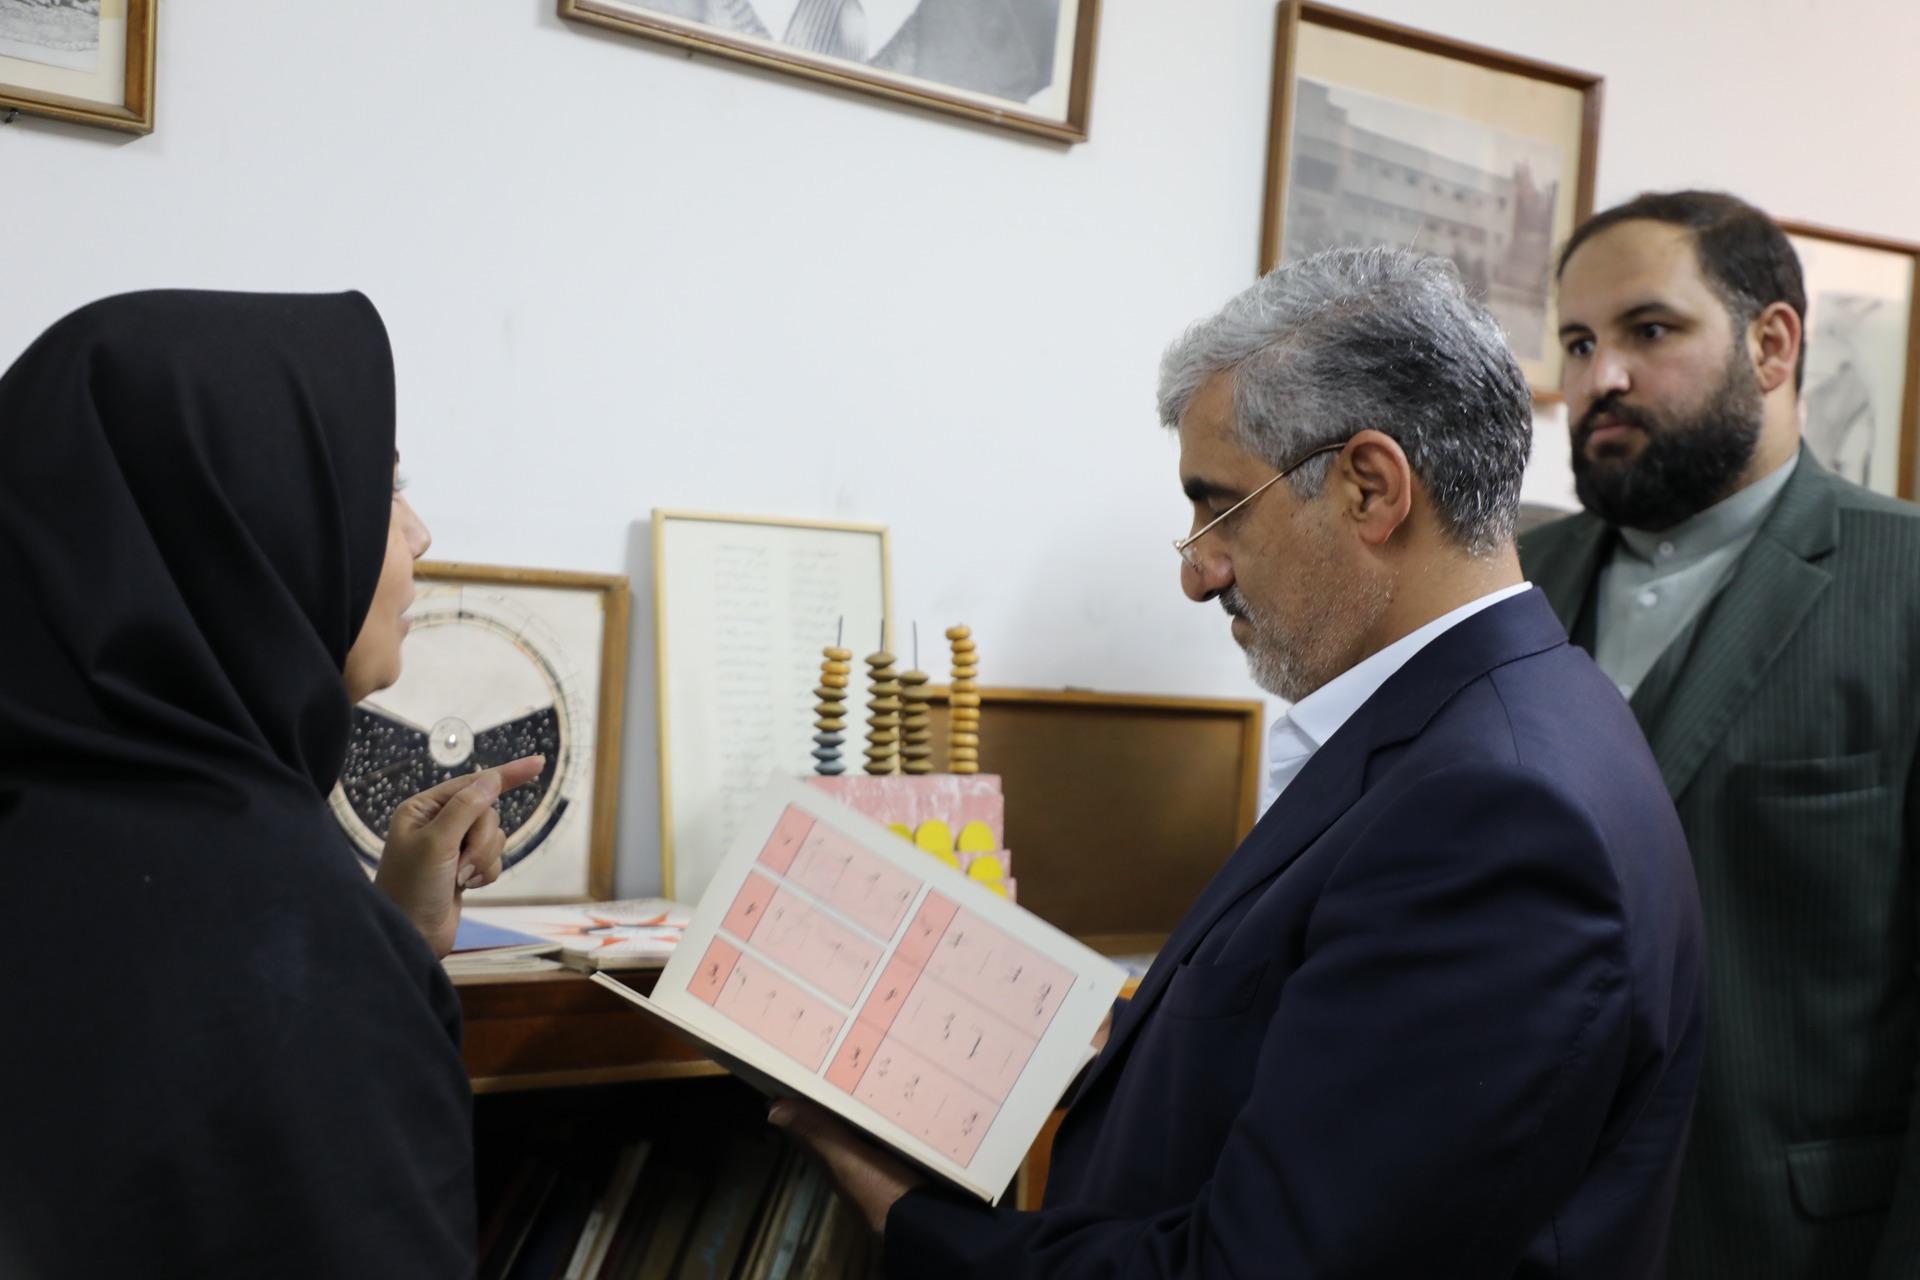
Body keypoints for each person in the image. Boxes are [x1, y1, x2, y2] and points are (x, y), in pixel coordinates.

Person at [774, 247, 1707, 1277]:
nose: (1196, 571)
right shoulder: (1488, 729)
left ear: (1369, 487)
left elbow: (1259, 1265)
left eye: (1217, 508)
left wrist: (904, 1208)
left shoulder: (1498, 813)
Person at [0, 290, 540, 1276]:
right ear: (245, 522)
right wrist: (353, 959)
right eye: (383, 487)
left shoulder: (57, 829)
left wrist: (385, 938)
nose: (418, 531)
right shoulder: (274, 933)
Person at [1523, 190, 1920, 1279]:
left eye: (1649, 330)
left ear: (1772, 344)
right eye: (1577, 342)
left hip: (1784, 1238)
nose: (1600, 378)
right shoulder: (1510, 588)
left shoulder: (1906, 585)